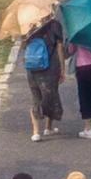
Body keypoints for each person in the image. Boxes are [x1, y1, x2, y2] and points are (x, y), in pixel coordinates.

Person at [23, 10, 65, 141]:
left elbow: (24, 46)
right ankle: (48, 127)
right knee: (50, 96)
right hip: (50, 68)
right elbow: (59, 48)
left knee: (36, 97)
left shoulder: (29, 26)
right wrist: (62, 69)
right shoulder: (55, 25)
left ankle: (36, 132)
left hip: (32, 68)